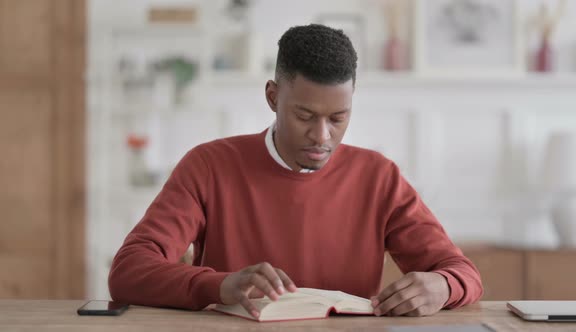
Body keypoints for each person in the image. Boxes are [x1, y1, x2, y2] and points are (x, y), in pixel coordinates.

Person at [109, 24, 483, 319]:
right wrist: (221, 286)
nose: (322, 137)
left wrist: (442, 286)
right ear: (273, 97)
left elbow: (461, 272)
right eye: (304, 116)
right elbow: (129, 271)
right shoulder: (208, 166)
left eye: (338, 118)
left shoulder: (378, 176)